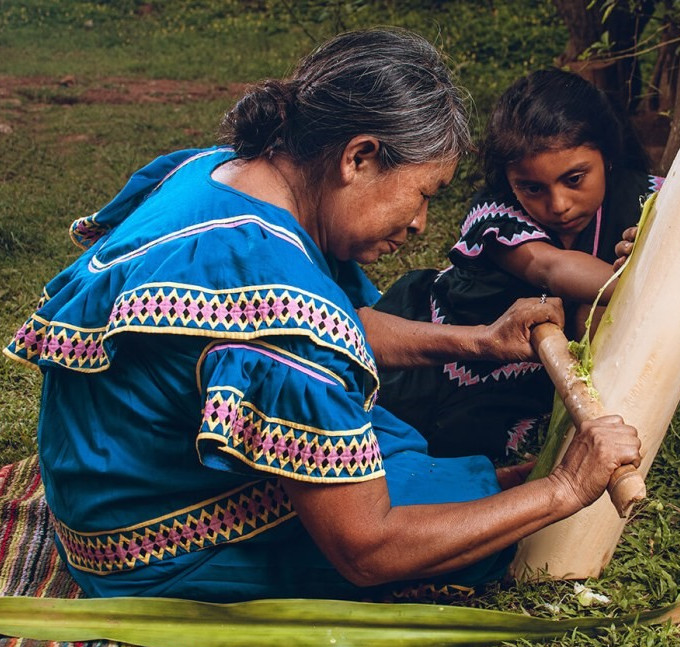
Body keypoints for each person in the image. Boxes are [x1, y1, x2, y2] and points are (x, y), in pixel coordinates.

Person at [4, 30, 641, 604]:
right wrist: (562, 490)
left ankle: (485, 486)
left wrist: (479, 340)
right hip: (154, 554)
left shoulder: (218, 174)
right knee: (476, 534)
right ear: (358, 158)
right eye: (422, 194)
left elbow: (338, 323)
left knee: (415, 461)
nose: (420, 224)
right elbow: (368, 549)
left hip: (99, 501)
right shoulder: (279, 303)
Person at [375, 68, 663, 460]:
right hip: (458, 355)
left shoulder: (648, 200)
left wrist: (657, 249)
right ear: (509, 180)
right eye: (532, 188)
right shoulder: (496, 219)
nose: (558, 204)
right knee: (438, 427)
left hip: (544, 366)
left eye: (574, 179)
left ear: (607, 157)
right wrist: (646, 274)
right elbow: (552, 270)